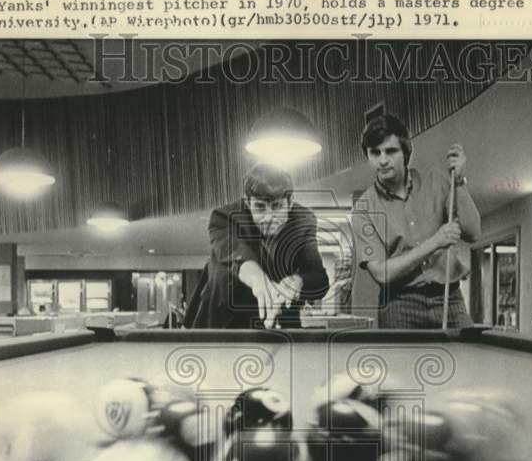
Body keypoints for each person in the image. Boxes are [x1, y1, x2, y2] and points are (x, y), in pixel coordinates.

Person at [351, 114, 481, 329]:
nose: (382, 160)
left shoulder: (438, 181)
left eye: (390, 151)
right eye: (375, 153)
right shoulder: (363, 209)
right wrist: (435, 242)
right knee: (401, 363)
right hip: (399, 303)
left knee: (469, 356)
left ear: (405, 153)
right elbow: (382, 274)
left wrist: (458, 182)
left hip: (449, 297)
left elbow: (474, 232)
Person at [190, 163, 330, 329]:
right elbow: (236, 254)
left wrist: (298, 281)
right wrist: (257, 279)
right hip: (223, 322)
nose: (269, 217)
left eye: (277, 206)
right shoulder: (223, 217)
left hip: (279, 324)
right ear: (248, 203)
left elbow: (319, 278)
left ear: (290, 202)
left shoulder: (303, 221)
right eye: (260, 207)